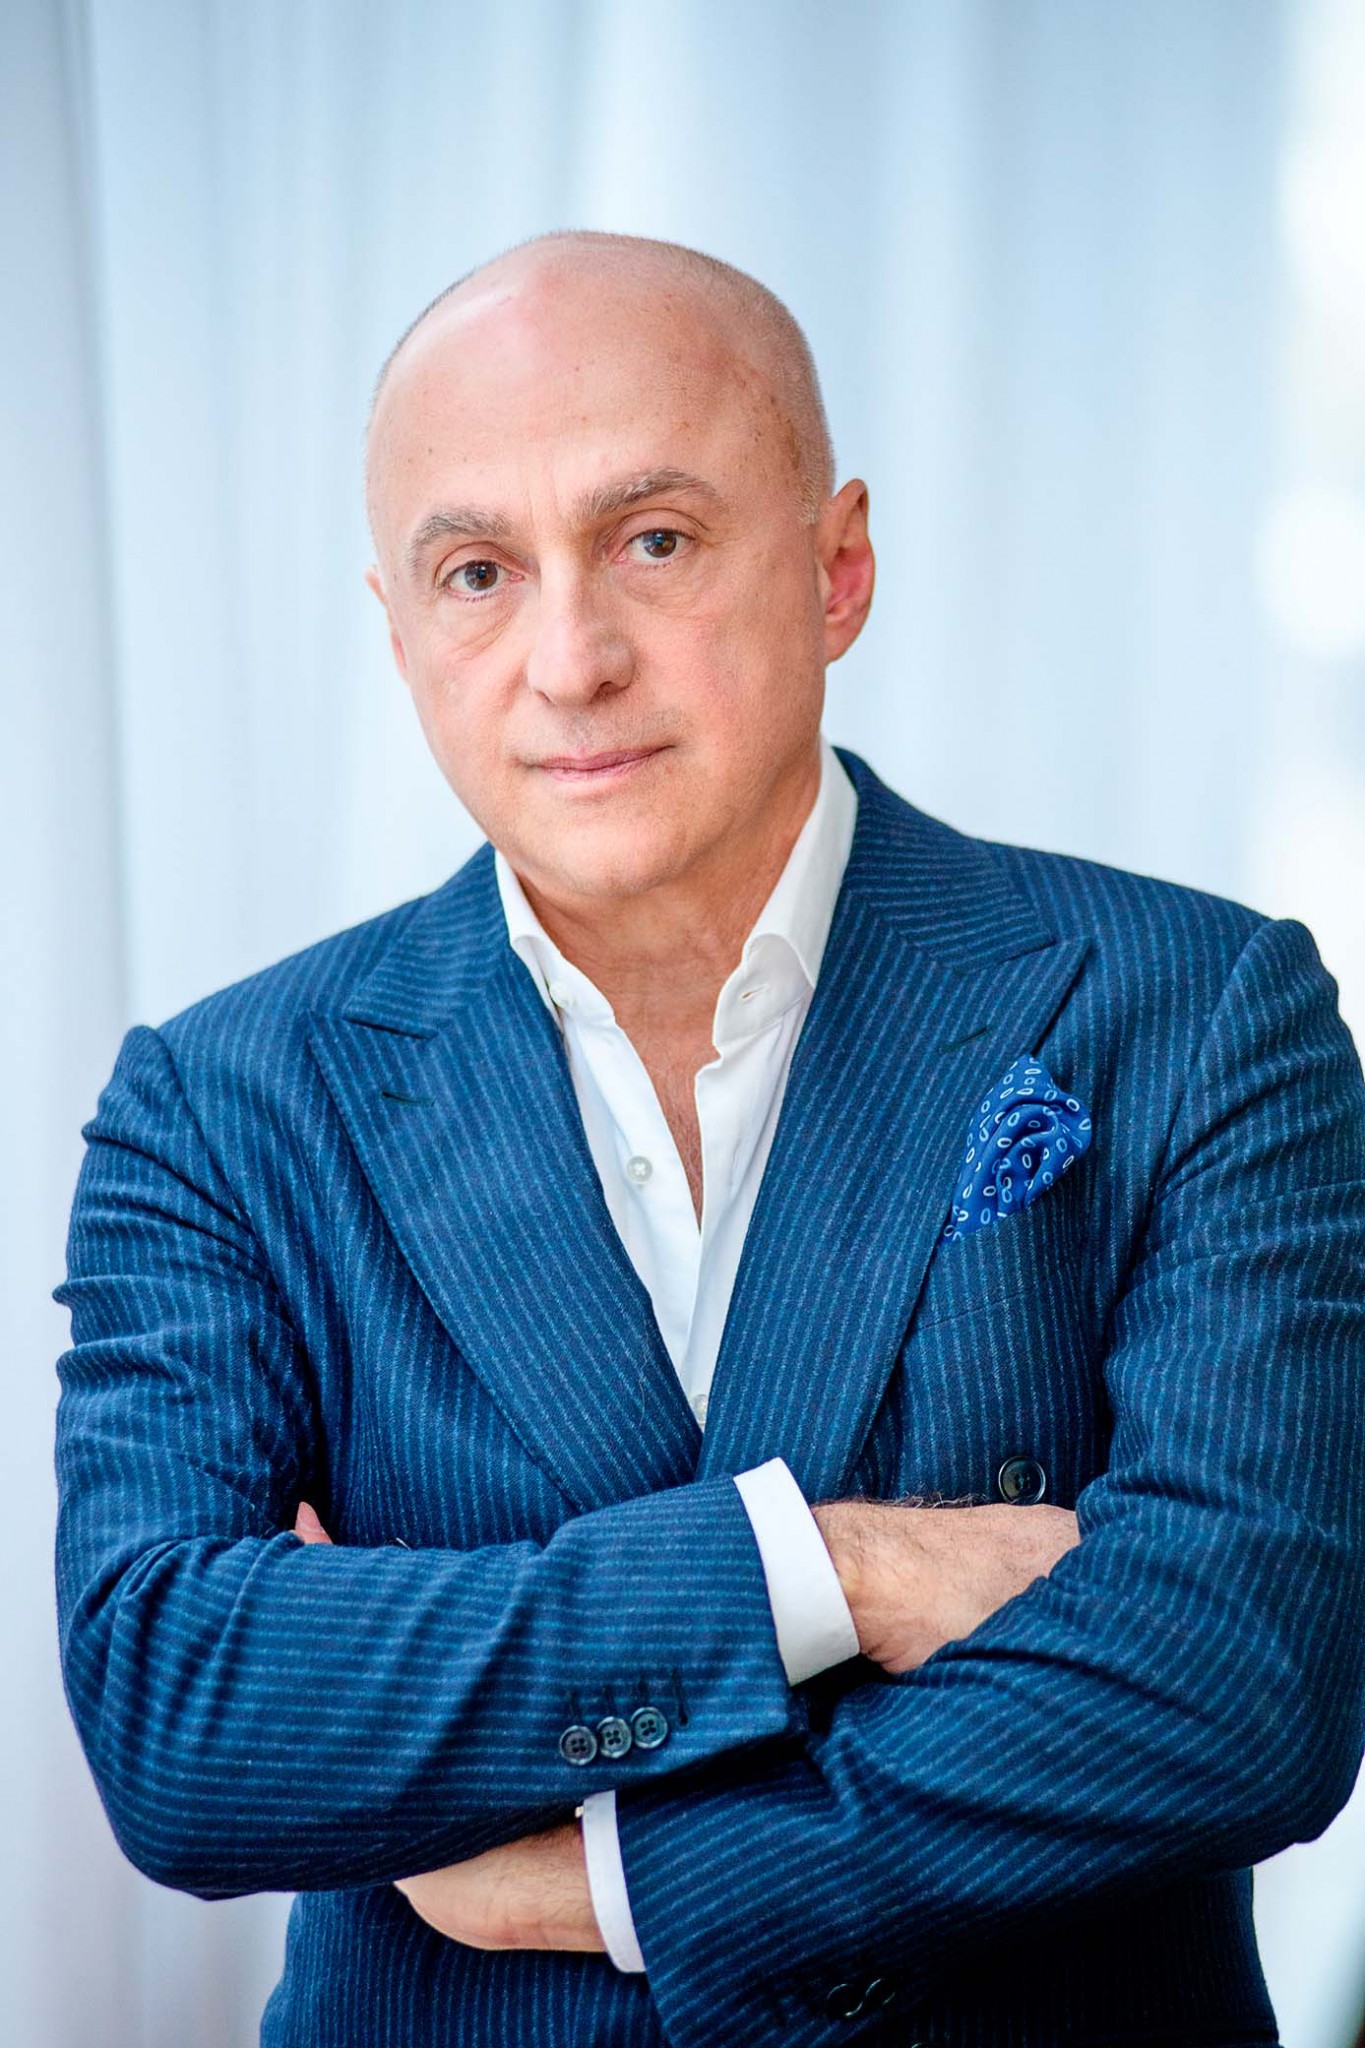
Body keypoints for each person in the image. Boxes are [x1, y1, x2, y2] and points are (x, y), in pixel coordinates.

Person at [53, 230, 1365, 2048]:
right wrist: (831, 1572)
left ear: (837, 569)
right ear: (399, 628)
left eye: (653, 541)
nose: (569, 660)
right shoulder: (220, 1105)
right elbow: (181, 1719)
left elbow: (1245, 1686)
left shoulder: (1199, 1008)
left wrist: (611, 1882)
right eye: (477, 573)